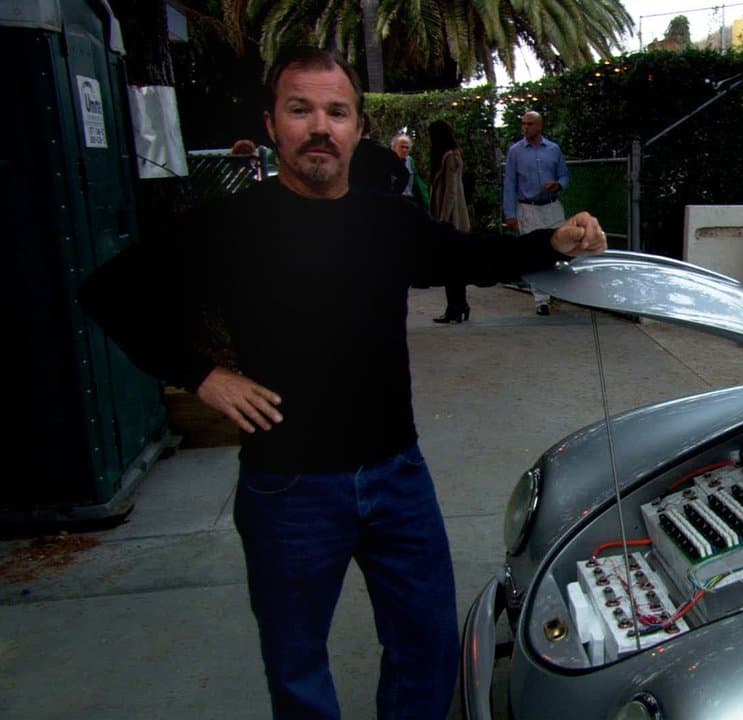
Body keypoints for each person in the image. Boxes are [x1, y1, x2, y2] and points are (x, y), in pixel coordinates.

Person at [78, 46, 607, 720]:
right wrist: (203, 378)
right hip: (288, 487)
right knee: (297, 667)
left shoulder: (385, 220)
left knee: (427, 648)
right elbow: (111, 292)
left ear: (358, 127)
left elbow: (467, 255)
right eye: (300, 110)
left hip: (396, 477)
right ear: (273, 124)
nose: (320, 128)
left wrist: (551, 243)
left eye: (336, 112)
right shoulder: (233, 225)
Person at [503, 110, 570, 316]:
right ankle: (541, 300)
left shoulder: (553, 149)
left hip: (551, 205)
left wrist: (558, 185)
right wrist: (510, 214)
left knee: (560, 247)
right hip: (528, 207)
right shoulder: (516, 151)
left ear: (539, 126)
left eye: (530, 124)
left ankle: (558, 289)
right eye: (523, 124)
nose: (526, 128)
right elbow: (510, 183)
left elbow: (564, 175)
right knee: (533, 252)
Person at [427, 119, 472, 323]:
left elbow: (451, 191)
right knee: (454, 265)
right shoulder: (449, 155)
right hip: (451, 217)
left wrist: (443, 219)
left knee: (452, 265)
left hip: (452, 218)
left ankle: (456, 307)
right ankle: (458, 306)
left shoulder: (450, 157)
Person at [348, 112, 409, 195]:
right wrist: (393, 195)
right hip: (380, 200)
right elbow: (404, 174)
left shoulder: (346, 153)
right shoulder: (385, 153)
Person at [391, 133, 424, 205]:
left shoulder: (410, 161)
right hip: (393, 199)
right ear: (394, 147)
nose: (404, 150)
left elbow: (416, 182)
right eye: (402, 147)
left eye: (407, 147)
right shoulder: (388, 161)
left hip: (409, 199)